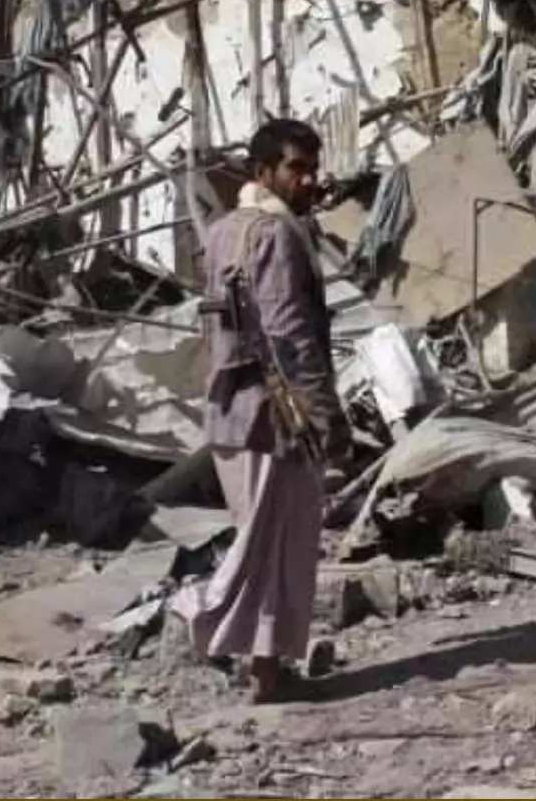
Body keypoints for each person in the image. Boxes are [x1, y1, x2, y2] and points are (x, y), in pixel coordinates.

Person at [172, 119, 350, 703]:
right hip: (273, 416)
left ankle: (267, 672)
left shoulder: (223, 230)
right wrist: (327, 418)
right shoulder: (274, 234)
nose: (308, 181)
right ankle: (199, 612)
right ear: (262, 172)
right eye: (296, 169)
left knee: (272, 543)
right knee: (272, 545)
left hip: (231, 413)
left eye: (312, 169)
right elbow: (287, 334)